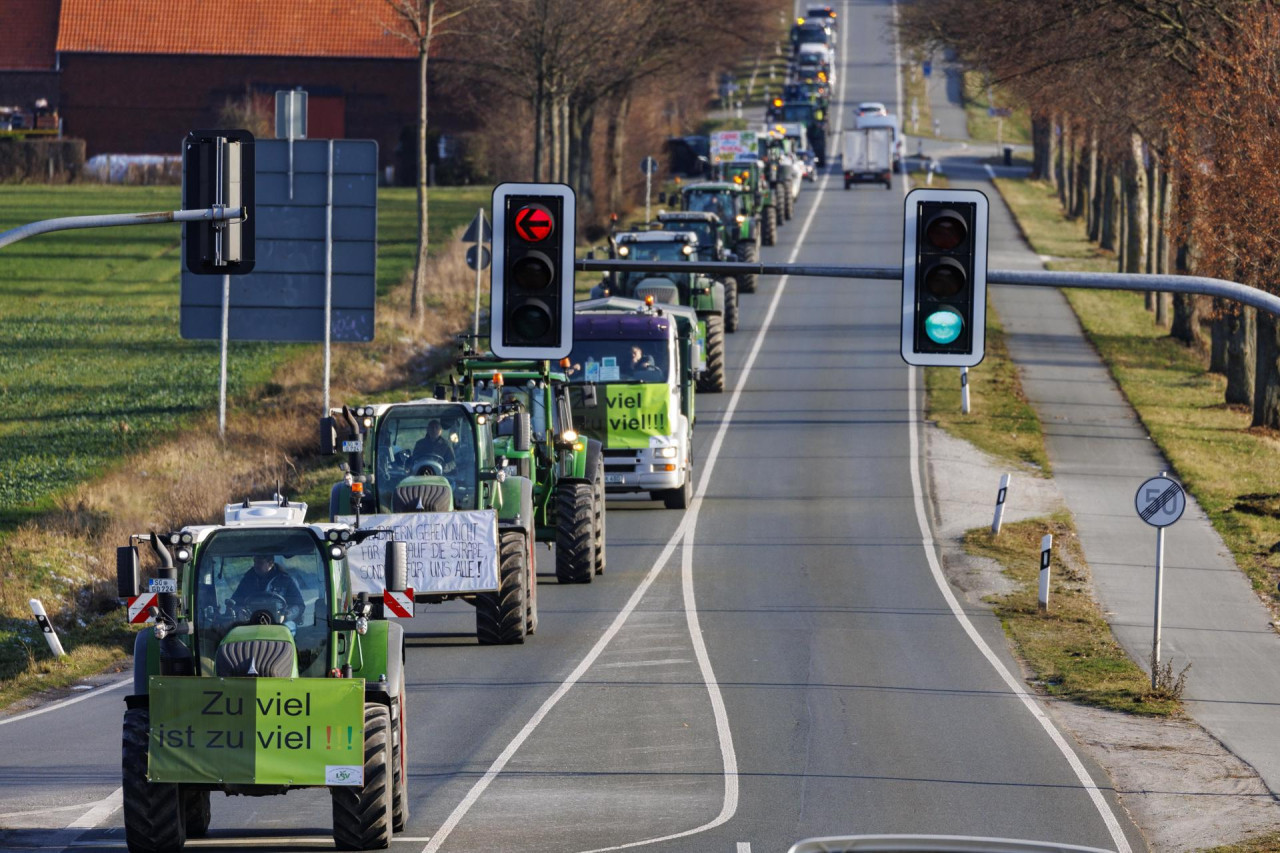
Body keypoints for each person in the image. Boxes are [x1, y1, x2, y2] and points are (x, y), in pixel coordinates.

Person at [231, 554, 305, 628]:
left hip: (281, 623)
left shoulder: (287, 581)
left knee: (288, 628)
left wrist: (285, 616)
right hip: (252, 623)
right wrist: (240, 612)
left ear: (271, 563)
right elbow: (234, 603)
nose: (256, 565)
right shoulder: (247, 581)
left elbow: (299, 605)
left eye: (260, 562)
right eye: (255, 562)